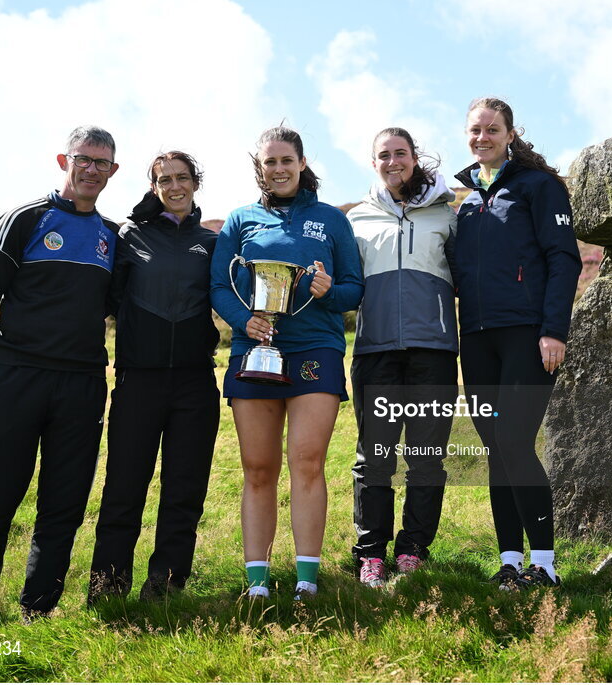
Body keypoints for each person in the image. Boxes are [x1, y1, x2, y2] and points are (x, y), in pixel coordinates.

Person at [0, 126, 120, 619]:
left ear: (114, 171)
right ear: (62, 160)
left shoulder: (112, 237)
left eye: (101, 163)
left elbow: (118, 307)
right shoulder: (24, 220)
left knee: (63, 507)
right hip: (15, 378)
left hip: (83, 385)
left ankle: (38, 610)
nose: (91, 169)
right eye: (83, 159)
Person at [210, 126, 363, 601]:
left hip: (316, 349)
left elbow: (354, 288)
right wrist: (245, 320)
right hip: (251, 351)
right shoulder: (240, 220)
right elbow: (219, 285)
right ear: (260, 167)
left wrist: (328, 292)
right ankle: (257, 583)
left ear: (301, 163)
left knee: (307, 462)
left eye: (286, 160)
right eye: (269, 162)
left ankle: (306, 579)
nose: (278, 169)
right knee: (258, 468)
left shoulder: (330, 220)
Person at [453, 97, 582, 589]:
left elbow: (563, 260)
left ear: (510, 134)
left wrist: (554, 330)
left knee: (512, 441)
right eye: (474, 130)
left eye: (492, 129)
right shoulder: (466, 203)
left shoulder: (538, 187)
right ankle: (509, 560)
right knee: (495, 448)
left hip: (528, 335)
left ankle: (545, 565)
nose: (481, 137)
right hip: (478, 339)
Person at [89, 151, 220, 604]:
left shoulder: (212, 241)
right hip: (137, 381)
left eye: (183, 178)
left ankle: (164, 587)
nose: (175, 186)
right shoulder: (128, 236)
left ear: (195, 183)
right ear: (153, 186)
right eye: (164, 180)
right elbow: (105, 299)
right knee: (123, 487)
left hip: (195, 383)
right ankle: (107, 588)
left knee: (184, 491)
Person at [346, 128, 458, 587]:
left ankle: (413, 548)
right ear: (373, 163)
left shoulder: (448, 217)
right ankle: (371, 552)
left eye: (401, 154)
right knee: (374, 456)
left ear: (415, 158)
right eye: (384, 155)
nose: (393, 162)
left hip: (433, 351)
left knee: (426, 455)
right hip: (375, 353)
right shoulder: (357, 220)